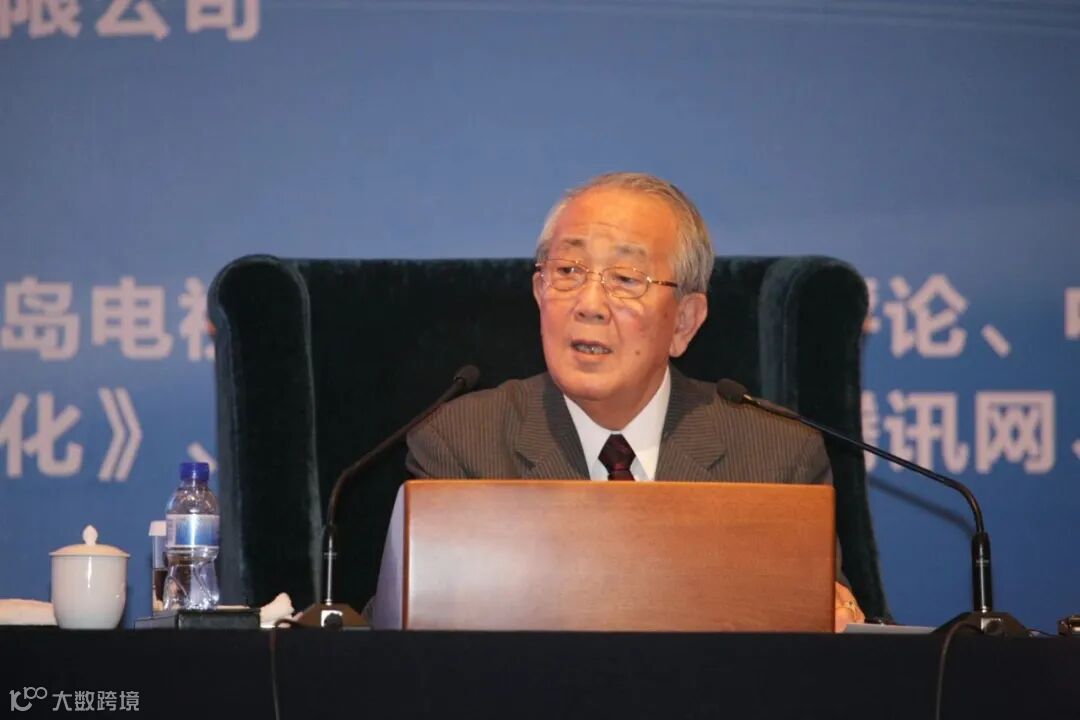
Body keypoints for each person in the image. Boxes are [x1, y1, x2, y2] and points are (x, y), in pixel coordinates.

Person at [406, 172, 864, 631]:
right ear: (540, 292)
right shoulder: (462, 446)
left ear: (684, 322)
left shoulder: (776, 459)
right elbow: (411, 638)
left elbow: (817, 647)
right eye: (568, 272)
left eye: (626, 279)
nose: (589, 304)